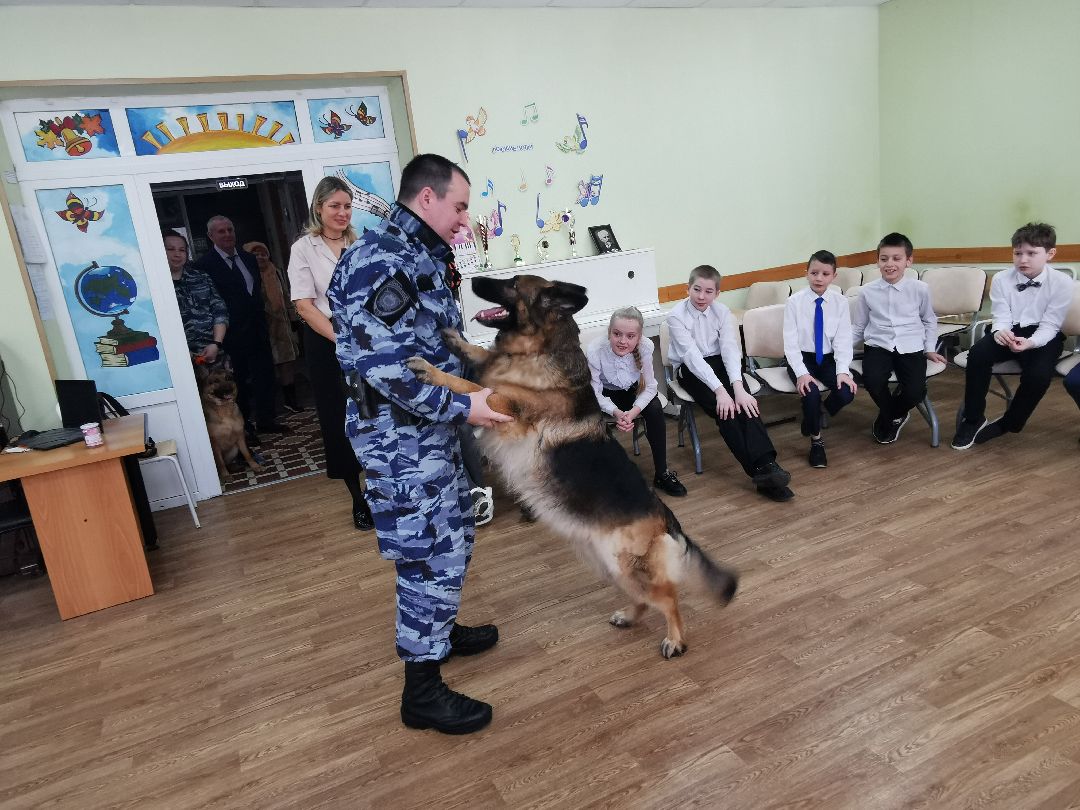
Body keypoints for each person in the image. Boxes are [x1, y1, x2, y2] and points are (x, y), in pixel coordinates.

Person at [328, 153, 512, 735]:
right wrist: (467, 405)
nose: (464, 219)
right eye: (459, 207)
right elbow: (389, 370)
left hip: (426, 430)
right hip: (399, 439)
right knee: (427, 554)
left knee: (452, 535)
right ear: (426, 198)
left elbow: (426, 343)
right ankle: (423, 691)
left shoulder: (419, 256)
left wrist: (477, 326)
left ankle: (439, 628)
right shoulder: (381, 259)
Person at [287, 178, 374, 531]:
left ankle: (384, 490)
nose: (342, 212)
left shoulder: (362, 243)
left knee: (375, 415)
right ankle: (358, 498)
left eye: (347, 206)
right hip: (327, 344)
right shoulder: (304, 248)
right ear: (319, 208)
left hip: (368, 341)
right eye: (334, 206)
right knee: (341, 420)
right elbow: (304, 306)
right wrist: (343, 341)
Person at [666, 264, 794, 501]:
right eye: (697, 290)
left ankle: (767, 466)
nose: (702, 296)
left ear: (717, 294)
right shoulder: (676, 316)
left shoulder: (722, 312)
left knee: (746, 403)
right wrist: (721, 392)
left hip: (721, 364)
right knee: (726, 410)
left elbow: (730, 350)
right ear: (687, 289)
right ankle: (761, 472)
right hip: (690, 369)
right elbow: (693, 359)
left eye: (708, 291)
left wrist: (737, 387)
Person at [952, 222, 1074, 449]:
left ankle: (1010, 422)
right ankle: (973, 418)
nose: (1023, 260)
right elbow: (1000, 316)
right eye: (1018, 253)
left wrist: (1031, 343)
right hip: (1009, 329)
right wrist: (1000, 332)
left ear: (1050, 254)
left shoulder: (1063, 282)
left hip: (1043, 335)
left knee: (1038, 377)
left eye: (1031, 253)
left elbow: (1050, 324)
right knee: (977, 356)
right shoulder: (1001, 279)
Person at [194, 215, 288, 439]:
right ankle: (245, 428)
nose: (227, 235)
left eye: (230, 230)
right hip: (232, 336)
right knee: (239, 383)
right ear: (210, 236)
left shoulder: (248, 258)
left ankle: (267, 419)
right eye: (221, 231)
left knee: (265, 377)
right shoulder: (204, 266)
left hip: (257, 331)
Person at [851, 233, 945, 444]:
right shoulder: (867, 292)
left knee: (915, 392)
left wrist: (930, 348)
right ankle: (895, 415)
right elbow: (859, 326)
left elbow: (929, 320)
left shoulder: (920, 289)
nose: (889, 264)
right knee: (873, 381)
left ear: (908, 261)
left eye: (897, 258)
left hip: (911, 345)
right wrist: (841, 350)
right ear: (877, 261)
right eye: (884, 259)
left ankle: (889, 415)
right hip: (878, 345)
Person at [587, 306, 686, 496]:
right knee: (591, 417)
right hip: (605, 395)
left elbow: (650, 387)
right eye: (617, 334)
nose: (623, 341)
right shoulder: (595, 350)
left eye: (630, 336)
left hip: (634, 393)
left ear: (639, 337)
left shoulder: (645, 347)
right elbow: (594, 392)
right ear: (609, 332)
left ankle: (662, 473)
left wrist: (631, 413)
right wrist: (616, 412)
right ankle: (608, 477)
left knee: (655, 408)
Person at [783, 250, 857, 468]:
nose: (819, 278)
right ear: (806, 273)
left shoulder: (840, 302)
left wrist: (843, 370)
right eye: (814, 273)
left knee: (846, 391)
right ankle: (816, 442)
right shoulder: (794, 302)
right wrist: (802, 373)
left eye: (825, 274)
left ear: (834, 276)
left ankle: (814, 415)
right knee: (810, 392)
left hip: (827, 359)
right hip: (801, 358)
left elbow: (843, 340)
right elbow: (790, 343)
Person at [244, 240, 302, 414]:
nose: (260, 257)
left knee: (287, 363)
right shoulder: (248, 273)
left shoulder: (275, 271)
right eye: (255, 254)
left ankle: (290, 400)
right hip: (262, 327)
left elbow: (285, 295)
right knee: (265, 367)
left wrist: (294, 318)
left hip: (282, 326)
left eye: (263, 253)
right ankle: (268, 406)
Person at [164, 229, 227, 364]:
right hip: (178, 360)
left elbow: (220, 311)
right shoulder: (156, 285)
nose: (177, 254)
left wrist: (216, 343)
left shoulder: (202, 277)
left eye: (181, 250)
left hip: (213, 354)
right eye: (170, 249)